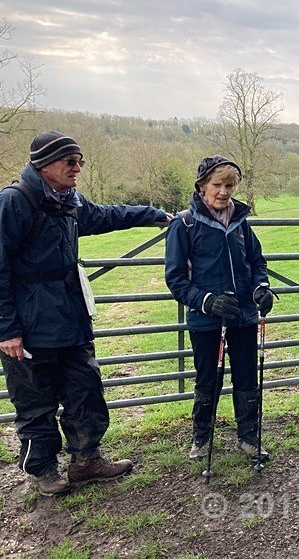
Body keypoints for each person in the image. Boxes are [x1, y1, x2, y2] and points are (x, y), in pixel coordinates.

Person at [0, 131, 172, 496]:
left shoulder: (68, 202)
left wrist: (156, 214)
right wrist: (6, 328)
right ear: (44, 164)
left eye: (80, 161)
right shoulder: (14, 202)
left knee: (85, 389)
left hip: (70, 317)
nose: (78, 168)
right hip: (30, 324)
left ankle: (86, 460)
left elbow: (108, 215)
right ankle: (44, 470)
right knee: (35, 399)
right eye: (70, 161)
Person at [165, 155, 274, 463]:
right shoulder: (184, 224)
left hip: (242, 316)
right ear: (202, 186)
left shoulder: (241, 223)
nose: (224, 192)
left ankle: (249, 437)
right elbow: (175, 278)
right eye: (218, 184)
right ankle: (201, 438)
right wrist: (206, 300)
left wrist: (260, 288)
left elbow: (256, 262)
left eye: (230, 185)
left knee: (246, 377)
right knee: (208, 379)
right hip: (206, 320)